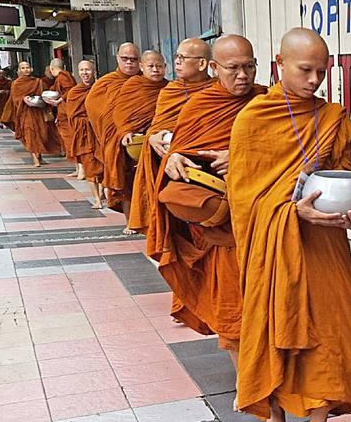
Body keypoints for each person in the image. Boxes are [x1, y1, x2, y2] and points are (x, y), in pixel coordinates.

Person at [226, 28, 351, 422]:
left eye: (321, 71)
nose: (315, 80)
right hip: (274, 246)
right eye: (305, 70)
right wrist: (293, 213)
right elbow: (245, 199)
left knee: (333, 336)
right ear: (279, 64)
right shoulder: (254, 119)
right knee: (276, 327)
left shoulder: (331, 117)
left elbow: (344, 174)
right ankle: (274, 408)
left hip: (324, 246)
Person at [152, 35, 267, 374]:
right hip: (222, 228)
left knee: (271, 307)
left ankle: (272, 378)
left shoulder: (268, 103)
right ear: (214, 68)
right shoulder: (200, 106)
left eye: (249, 66)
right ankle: (247, 380)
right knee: (232, 307)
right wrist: (172, 158)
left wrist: (242, 156)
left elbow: (291, 151)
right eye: (233, 68)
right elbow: (182, 148)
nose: (242, 75)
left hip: (263, 222)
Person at [128, 39, 212, 238]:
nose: (177, 62)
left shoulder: (218, 92)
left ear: (202, 64)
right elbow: (157, 126)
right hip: (171, 170)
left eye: (183, 58)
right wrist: (154, 136)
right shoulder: (170, 92)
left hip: (206, 168)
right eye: (176, 57)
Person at [103, 50, 168, 226]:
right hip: (133, 144)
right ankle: (130, 220)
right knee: (130, 184)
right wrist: (125, 131)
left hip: (158, 143)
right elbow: (119, 112)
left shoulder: (170, 89)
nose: (155, 70)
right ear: (142, 67)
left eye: (159, 66)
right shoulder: (133, 85)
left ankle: (155, 221)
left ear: (165, 67)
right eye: (151, 66)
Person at [86, 43, 144, 206]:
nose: (129, 63)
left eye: (133, 59)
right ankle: (129, 221)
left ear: (139, 61)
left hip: (141, 139)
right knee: (124, 182)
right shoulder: (106, 83)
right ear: (117, 58)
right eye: (125, 59)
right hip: (116, 140)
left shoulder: (147, 82)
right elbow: (94, 109)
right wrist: (115, 129)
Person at [64, 60, 106, 209]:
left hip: (100, 133)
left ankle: (102, 192)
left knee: (103, 165)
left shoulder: (101, 89)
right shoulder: (75, 92)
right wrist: (86, 121)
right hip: (83, 135)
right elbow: (71, 116)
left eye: (88, 70)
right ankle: (96, 199)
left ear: (94, 71)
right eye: (82, 70)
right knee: (89, 166)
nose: (85, 73)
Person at [43, 61, 80, 177]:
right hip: (64, 112)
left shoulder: (63, 77)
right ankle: (78, 169)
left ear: (52, 69)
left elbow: (70, 91)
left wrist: (58, 100)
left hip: (67, 112)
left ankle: (81, 169)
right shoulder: (64, 76)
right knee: (69, 141)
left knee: (72, 141)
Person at [4, 62, 46, 150]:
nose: (26, 69)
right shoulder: (16, 83)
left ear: (31, 69)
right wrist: (23, 99)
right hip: (24, 111)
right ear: (19, 70)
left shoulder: (37, 81)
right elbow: (15, 99)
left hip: (37, 111)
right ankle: (36, 158)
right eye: (23, 68)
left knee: (39, 133)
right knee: (29, 132)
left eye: (27, 67)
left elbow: (41, 94)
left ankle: (38, 155)